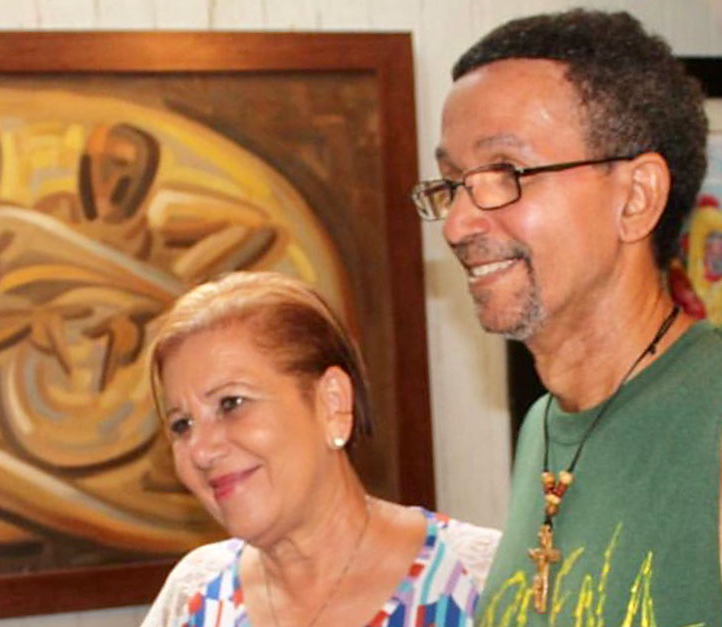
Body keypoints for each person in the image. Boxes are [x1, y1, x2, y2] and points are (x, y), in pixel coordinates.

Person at [412, 9, 722, 625]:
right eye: (452, 182)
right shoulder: (545, 426)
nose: (457, 223)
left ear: (635, 198)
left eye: (506, 173)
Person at [142, 272, 499, 626]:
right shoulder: (194, 596)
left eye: (231, 403)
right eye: (181, 425)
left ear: (332, 403)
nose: (201, 451)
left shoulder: (483, 582)